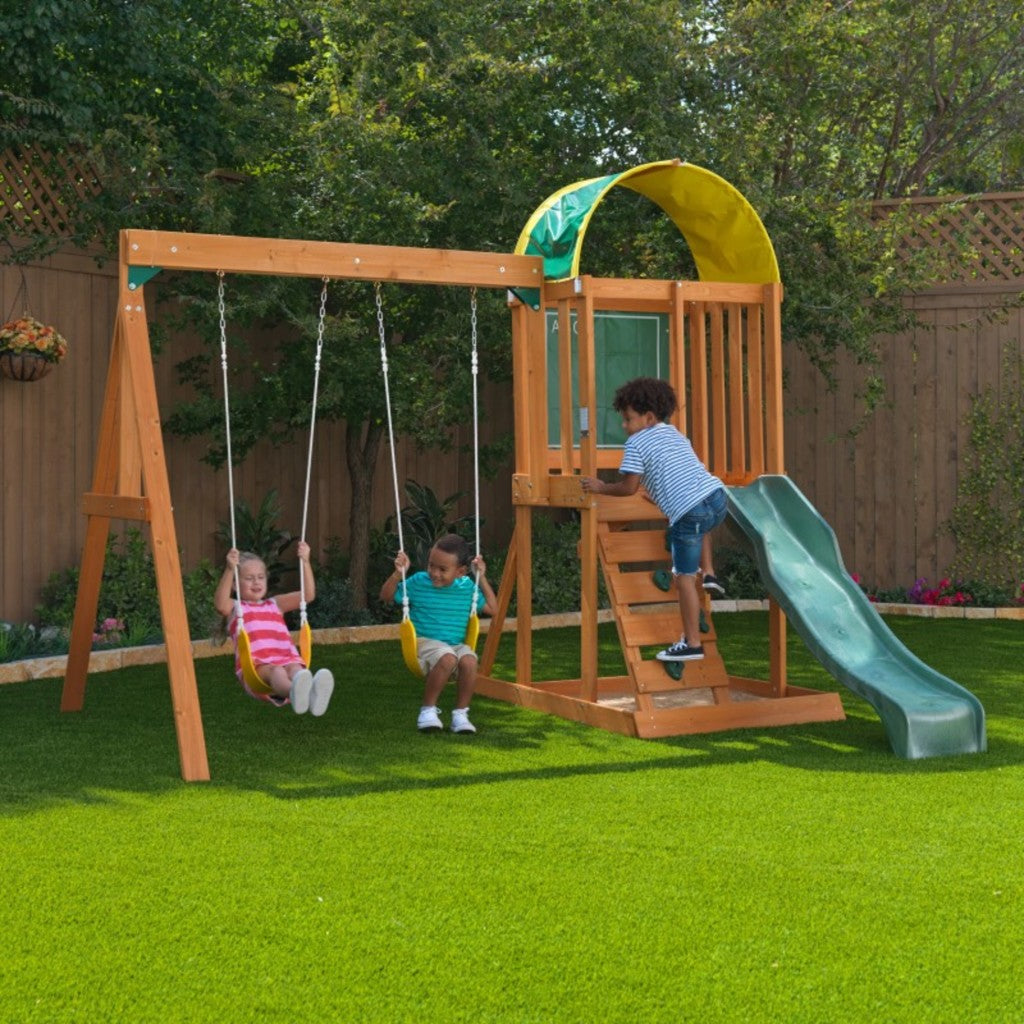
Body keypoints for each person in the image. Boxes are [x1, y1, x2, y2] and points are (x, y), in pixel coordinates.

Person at [581, 377, 728, 662]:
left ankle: (693, 644)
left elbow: (628, 487)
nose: (625, 425)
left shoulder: (636, 443)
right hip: (717, 497)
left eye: (628, 419)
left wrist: (601, 487)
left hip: (690, 512)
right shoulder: (674, 433)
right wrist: (661, 497)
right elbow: (681, 474)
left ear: (648, 418)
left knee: (683, 579)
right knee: (702, 524)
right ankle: (709, 573)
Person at [379, 533, 497, 734]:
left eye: (442, 569)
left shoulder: (467, 587)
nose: (434, 573)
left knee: (469, 660)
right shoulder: (418, 582)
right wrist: (398, 574)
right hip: (424, 643)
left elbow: (494, 610)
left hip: (454, 645)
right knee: (447, 657)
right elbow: (386, 596)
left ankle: (460, 714)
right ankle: (427, 711)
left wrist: (482, 578)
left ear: (461, 571)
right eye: (431, 565)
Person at [214, 541, 334, 715]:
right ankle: (295, 693)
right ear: (235, 584)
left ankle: (310, 696)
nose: (256, 582)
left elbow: (307, 595)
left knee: (296, 669)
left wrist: (306, 562)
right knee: (277, 671)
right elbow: (220, 604)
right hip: (257, 668)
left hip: (286, 658)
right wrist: (229, 570)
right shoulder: (236, 608)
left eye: (260, 577)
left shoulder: (275, 604)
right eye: (249, 578)